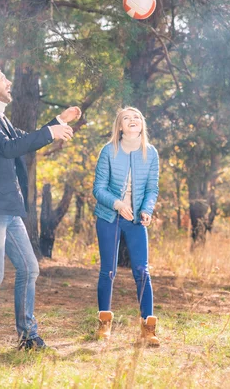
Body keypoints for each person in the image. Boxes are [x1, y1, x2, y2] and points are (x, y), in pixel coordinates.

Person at [0, 67, 81, 359]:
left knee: (29, 268)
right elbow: (10, 148)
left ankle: (28, 336)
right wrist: (51, 131)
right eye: (3, 79)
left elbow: (22, 137)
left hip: (9, 208)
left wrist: (58, 121)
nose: (9, 82)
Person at [92, 106, 160, 345]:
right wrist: (118, 204)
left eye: (137, 117)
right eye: (126, 118)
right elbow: (98, 189)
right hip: (109, 217)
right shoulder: (108, 151)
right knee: (108, 270)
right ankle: (104, 323)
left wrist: (146, 210)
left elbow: (152, 189)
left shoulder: (150, 153)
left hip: (135, 221)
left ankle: (148, 327)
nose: (132, 120)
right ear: (119, 126)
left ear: (142, 124)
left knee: (142, 271)